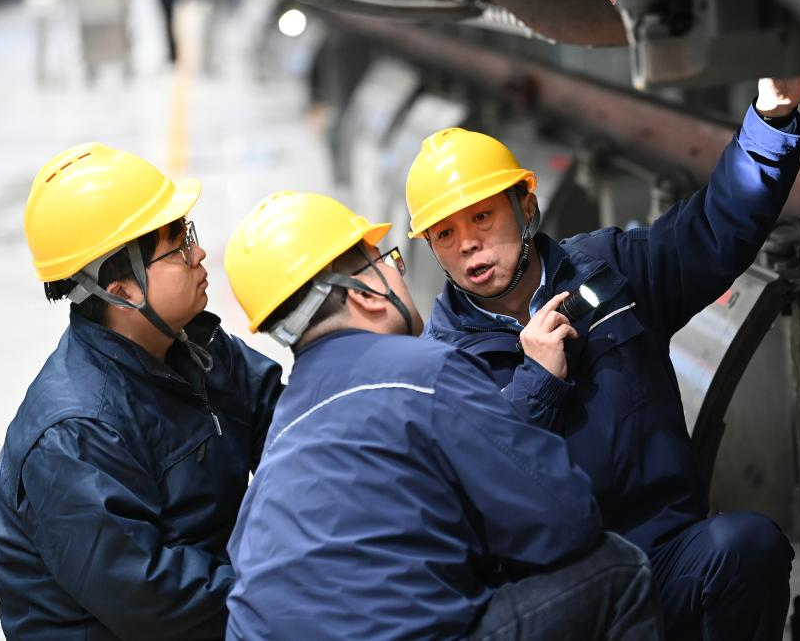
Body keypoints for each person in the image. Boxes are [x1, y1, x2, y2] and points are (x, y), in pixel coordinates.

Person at [405, 78, 800, 640]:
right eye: (445, 233)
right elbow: (463, 494)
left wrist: (770, 121)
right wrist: (536, 385)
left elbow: (711, 231)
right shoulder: (440, 366)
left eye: (482, 217)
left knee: (747, 548)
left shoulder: (608, 270)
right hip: (562, 600)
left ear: (526, 206)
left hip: (662, 556)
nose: (467, 243)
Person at [223, 191, 665, 640]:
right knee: (617, 567)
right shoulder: (425, 371)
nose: (398, 272)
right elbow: (566, 520)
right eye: (389, 262)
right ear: (366, 294)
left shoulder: (283, 430)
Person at [0, 143, 283, 640]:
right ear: (121, 290)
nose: (199, 254)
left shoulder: (199, 349)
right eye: (179, 246)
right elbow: (154, 599)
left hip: (220, 604)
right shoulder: (73, 435)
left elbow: (293, 429)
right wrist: (288, 589)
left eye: (189, 234)